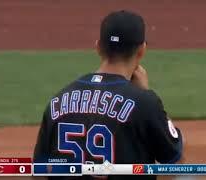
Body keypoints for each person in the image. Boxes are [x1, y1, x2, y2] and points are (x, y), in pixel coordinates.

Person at [33, 10, 185, 180]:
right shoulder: (145, 102)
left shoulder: (58, 101)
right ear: (142, 50)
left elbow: (39, 172)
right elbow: (177, 166)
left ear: (98, 46)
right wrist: (146, 94)